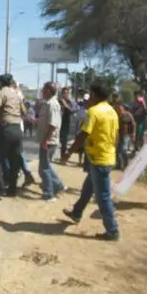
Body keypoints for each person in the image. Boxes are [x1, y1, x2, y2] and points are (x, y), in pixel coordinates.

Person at [62, 82, 120, 241]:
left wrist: (68, 152)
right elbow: (116, 136)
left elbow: (83, 135)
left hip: (98, 159)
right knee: (88, 187)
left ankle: (112, 230)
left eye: (90, 94)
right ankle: (76, 212)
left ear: (94, 95)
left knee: (103, 197)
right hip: (106, 156)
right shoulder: (112, 111)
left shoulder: (93, 112)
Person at [0, 74, 26, 196]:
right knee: (14, 161)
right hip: (17, 129)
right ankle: (12, 189)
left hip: (5, 129)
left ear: (1, 83)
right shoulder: (16, 94)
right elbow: (24, 111)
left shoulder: (0, 93)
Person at [35, 82, 67, 202]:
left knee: (44, 169)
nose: (42, 91)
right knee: (45, 167)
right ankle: (59, 186)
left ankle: (49, 194)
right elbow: (46, 121)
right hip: (46, 140)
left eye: (43, 89)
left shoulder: (52, 104)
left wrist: (45, 140)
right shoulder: (47, 103)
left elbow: (53, 125)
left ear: (48, 90)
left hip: (49, 141)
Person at [58, 87, 78, 160]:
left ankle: (62, 157)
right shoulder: (58, 101)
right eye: (63, 93)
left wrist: (66, 105)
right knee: (57, 140)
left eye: (66, 93)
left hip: (66, 123)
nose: (64, 94)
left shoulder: (71, 102)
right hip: (58, 123)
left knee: (64, 142)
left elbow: (73, 111)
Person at [114, 101, 135, 170]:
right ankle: (119, 164)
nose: (118, 109)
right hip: (119, 135)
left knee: (123, 150)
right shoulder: (116, 116)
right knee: (117, 150)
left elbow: (133, 124)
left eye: (119, 107)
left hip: (126, 136)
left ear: (122, 107)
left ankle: (126, 165)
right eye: (116, 108)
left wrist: (133, 134)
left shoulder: (128, 115)